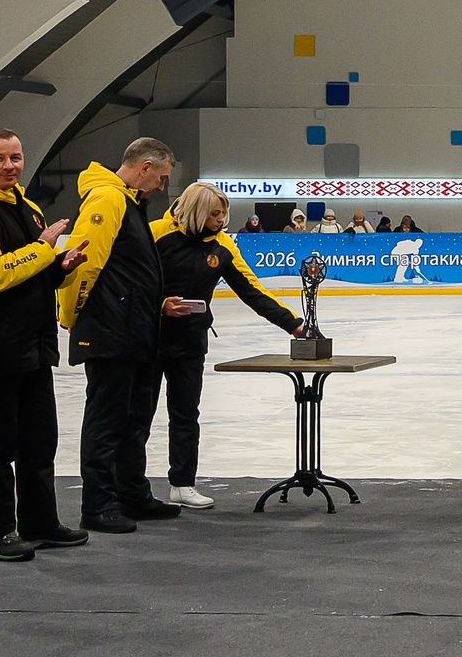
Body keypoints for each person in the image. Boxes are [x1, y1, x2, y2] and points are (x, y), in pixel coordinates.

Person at [0, 128, 88, 562]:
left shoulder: (27, 207)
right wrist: (44, 250)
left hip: (35, 343)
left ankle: (40, 521)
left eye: (16, 157)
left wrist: (59, 268)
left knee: (39, 437)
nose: (10, 166)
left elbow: (32, 273)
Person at [151, 181, 307, 507]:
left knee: (185, 414)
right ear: (197, 211)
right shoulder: (156, 233)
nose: (221, 219)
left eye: (224, 213)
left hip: (190, 340)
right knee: (137, 415)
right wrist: (160, 303)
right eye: (214, 213)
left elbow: (251, 290)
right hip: (147, 337)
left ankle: (182, 484)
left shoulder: (223, 246)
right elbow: (130, 281)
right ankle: (129, 487)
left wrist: (292, 323)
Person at [61, 136, 181, 534]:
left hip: (133, 330)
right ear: (144, 168)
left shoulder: (128, 202)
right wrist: (71, 315)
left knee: (134, 419)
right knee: (107, 420)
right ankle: (97, 504)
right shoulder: (108, 200)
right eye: (161, 177)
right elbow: (84, 262)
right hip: (110, 332)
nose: (163, 187)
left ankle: (131, 493)